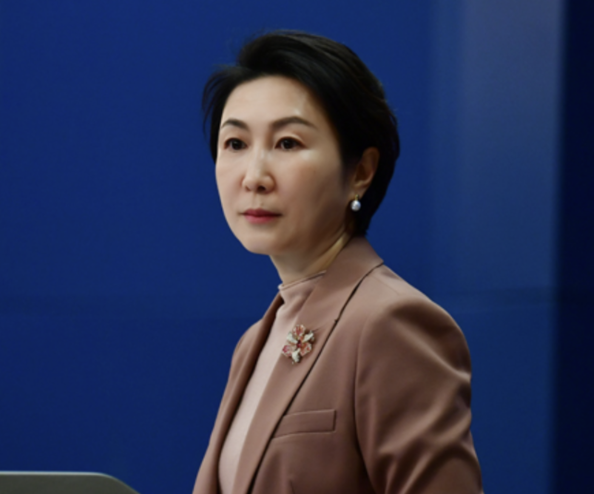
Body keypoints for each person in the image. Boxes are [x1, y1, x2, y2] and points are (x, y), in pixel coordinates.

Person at [192, 31, 483, 494]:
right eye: (235, 143)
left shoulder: (389, 323)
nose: (254, 176)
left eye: (288, 143)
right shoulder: (254, 342)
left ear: (360, 172)